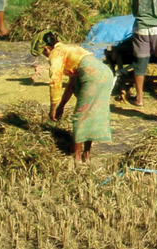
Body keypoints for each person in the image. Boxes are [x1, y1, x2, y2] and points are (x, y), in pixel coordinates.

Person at [40, 31, 114, 163]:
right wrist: (61, 106)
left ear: (46, 48)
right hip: (105, 73)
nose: (46, 56)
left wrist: (53, 108)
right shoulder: (71, 49)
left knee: (81, 116)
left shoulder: (56, 53)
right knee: (92, 113)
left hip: (92, 75)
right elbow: (71, 84)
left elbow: (55, 81)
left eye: (43, 53)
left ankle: (77, 158)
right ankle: (86, 154)